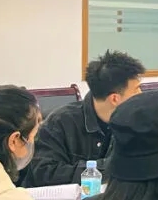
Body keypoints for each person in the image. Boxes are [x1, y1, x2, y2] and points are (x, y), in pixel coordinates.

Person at [28, 51, 144, 186]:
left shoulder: (138, 121)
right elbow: (45, 173)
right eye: (136, 89)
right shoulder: (60, 123)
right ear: (114, 99)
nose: (141, 94)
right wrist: (111, 168)